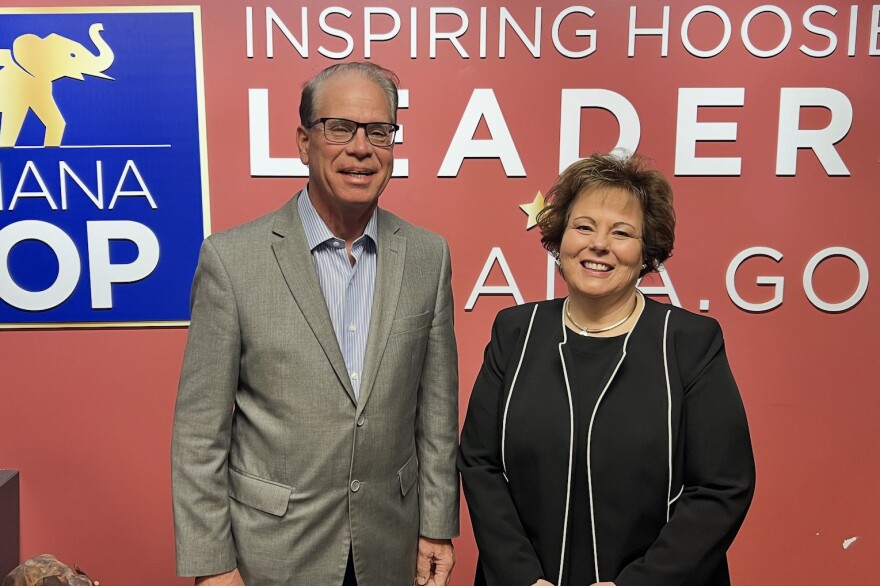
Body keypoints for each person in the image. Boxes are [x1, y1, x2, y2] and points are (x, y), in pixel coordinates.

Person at [171, 62, 459, 586]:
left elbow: (435, 414)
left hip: (389, 548)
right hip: (273, 553)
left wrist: (437, 526)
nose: (360, 148)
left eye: (379, 131)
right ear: (305, 142)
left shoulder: (427, 255)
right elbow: (199, 434)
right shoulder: (231, 260)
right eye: (339, 128)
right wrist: (212, 564)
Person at [458, 152, 755, 586]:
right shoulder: (516, 331)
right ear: (559, 237)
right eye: (583, 227)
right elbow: (480, 462)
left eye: (622, 232)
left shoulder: (691, 343)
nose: (599, 244)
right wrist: (522, 578)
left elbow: (721, 487)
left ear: (647, 250)